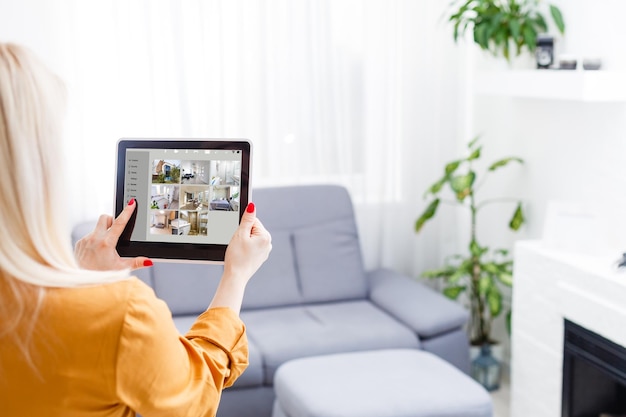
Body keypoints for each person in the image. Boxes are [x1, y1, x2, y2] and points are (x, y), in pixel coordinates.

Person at [0, 42, 272, 416]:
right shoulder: (122, 313)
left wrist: (85, 278)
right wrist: (236, 275)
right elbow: (195, 398)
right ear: (37, 165)